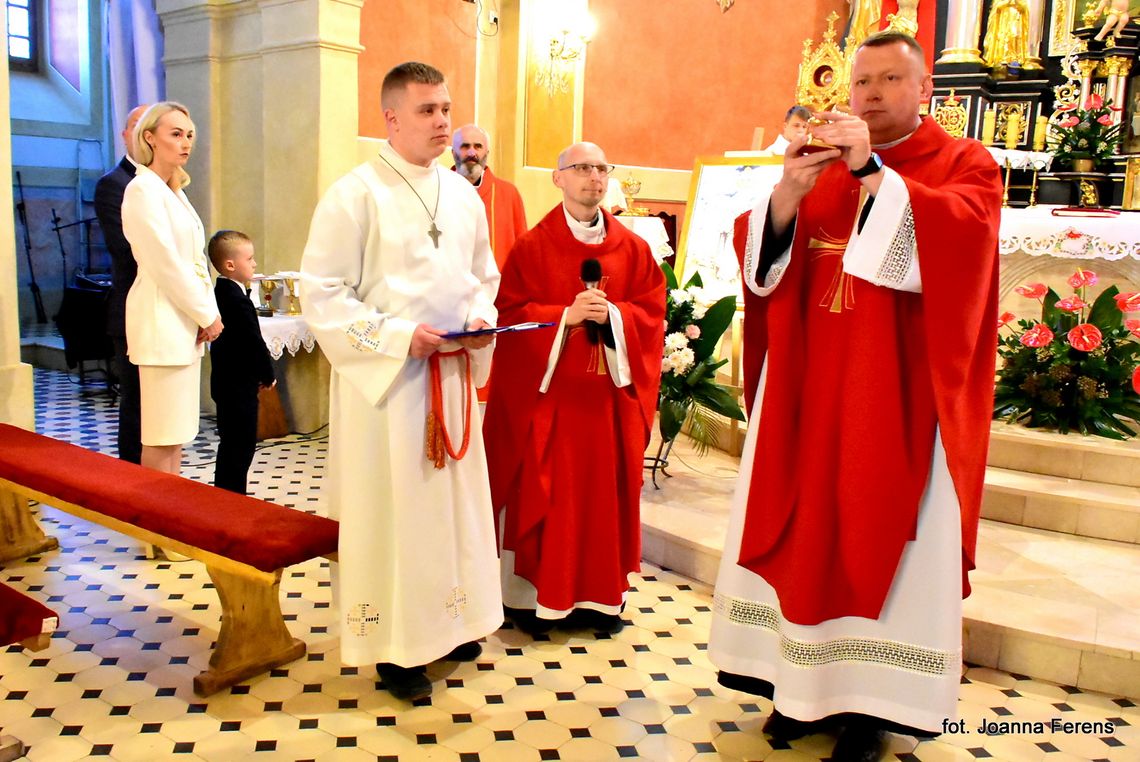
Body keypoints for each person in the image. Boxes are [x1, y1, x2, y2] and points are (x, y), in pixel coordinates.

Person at [708, 32, 1001, 762]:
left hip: (899, 400)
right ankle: (795, 690)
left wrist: (873, 172)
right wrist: (789, 193)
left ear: (926, 89)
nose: (868, 93)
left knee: (884, 544)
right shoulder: (826, 162)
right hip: (807, 394)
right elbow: (767, 265)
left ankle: (872, 707)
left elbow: (961, 250)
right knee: (803, 533)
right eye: (862, 79)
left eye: (889, 79)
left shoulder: (966, 162)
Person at [299, 62, 503, 703]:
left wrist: (478, 320)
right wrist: (394, 339)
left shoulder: (464, 195)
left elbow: (484, 277)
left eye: (446, 108)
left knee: (450, 514)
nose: (443, 121)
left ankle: (452, 622)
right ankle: (395, 646)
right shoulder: (354, 194)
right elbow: (322, 296)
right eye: (427, 110)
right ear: (391, 117)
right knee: (397, 516)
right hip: (390, 390)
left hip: (449, 376)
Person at [482, 142, 665, 636]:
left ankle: (600, 601)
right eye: (581, 168)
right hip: (552, 406)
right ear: (558, 178)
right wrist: (564, 316)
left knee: (602, 503)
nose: (594, 178)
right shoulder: (532, 247)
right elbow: (509, 318)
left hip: (608, 405)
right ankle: (532, 600)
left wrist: (620, 318)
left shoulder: (634, 249)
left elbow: (652, 315)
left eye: (601, 168)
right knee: (550, 497)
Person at [122, 101, 222, 480]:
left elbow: (195, 261)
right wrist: (207, 314)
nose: (186, 143)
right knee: (161, 436)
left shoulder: (174, 191)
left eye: (189, 135)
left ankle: (171, 518)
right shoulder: (142, 190)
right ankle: (154, 528)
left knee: (177, 436)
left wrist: (204, 313)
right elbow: (165, 263)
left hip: (182, 324)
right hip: (162, 320)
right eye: (175, 134)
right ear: (149, 138)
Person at [94, 103, 149, 464]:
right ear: (127, 135)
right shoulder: (114, 184)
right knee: (137, 401)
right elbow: (127, 249)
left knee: (163, 410)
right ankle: (133, 483)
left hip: (169, 310)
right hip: (134, 306)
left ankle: (164, 479)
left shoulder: (169, 185)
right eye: (137, 125)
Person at [207, 230, 275, 495]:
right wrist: (267, 374)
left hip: (226, 383)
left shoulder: (221, 293)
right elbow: (253, 342)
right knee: (241, 445)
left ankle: (226, 494)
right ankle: (232, 497)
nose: (255, 263)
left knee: (231, 443)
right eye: (250, 258)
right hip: (239, 385)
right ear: (230, 265)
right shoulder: (236, 300)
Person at [451, 124, 528, 270]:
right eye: (465, 146)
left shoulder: (508, 193)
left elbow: (523, 250)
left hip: (498, 288)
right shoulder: (441, 189)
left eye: (478, 146)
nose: (472, 152)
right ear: (454, 153)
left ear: (486, 153)